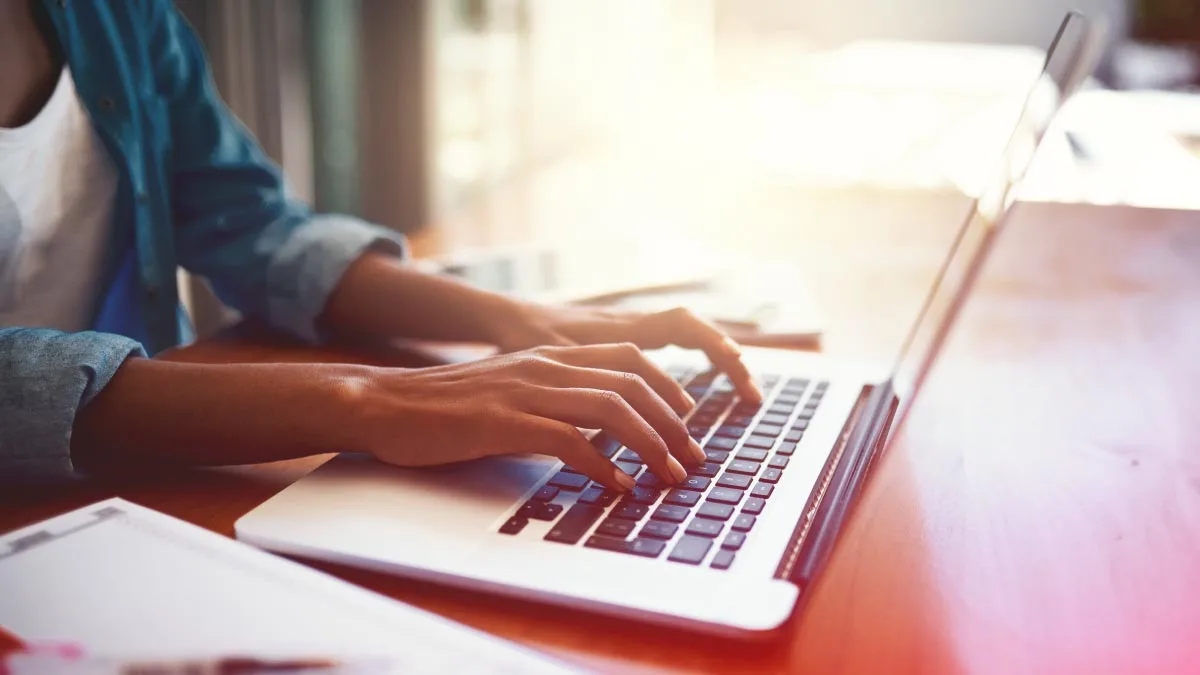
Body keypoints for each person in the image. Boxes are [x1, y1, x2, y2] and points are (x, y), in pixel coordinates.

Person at [0, 0, 760, 490]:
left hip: (151, 477)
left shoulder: (123, 16)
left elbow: (256, 226)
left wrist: (517, 321)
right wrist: (367, 398)